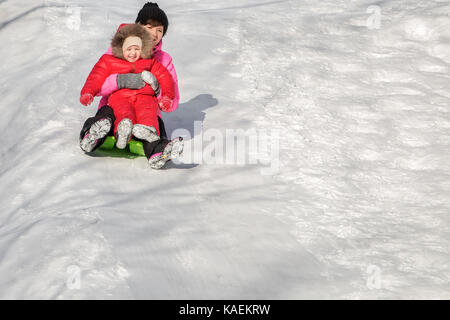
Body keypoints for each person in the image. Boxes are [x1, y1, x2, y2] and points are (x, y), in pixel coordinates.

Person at [79, 2, 182, 169]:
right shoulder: (119, 51)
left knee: (154, 124)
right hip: (115, 103)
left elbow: (173, 99)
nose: (155, 34)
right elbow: (98, 82)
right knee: (106, 116)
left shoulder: (164, 60)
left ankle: (159, 151)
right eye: (150, 27)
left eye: (160, 30)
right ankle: (92, 135)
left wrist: (158, 90)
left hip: (146, 107)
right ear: (139, 27)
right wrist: (120, 81)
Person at [80, 24, 175, 149]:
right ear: (121, 48)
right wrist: (88, 92)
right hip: (121, 96)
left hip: (145, 96)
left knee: (148, 112)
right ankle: (123, 134)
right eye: (129, 49)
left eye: (137, 49)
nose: (133, 53)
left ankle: (149, 132)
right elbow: (96, 76)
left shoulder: (149, 61)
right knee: (124, 113)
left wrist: (167, 96)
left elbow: (165, 77)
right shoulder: (109, 61)